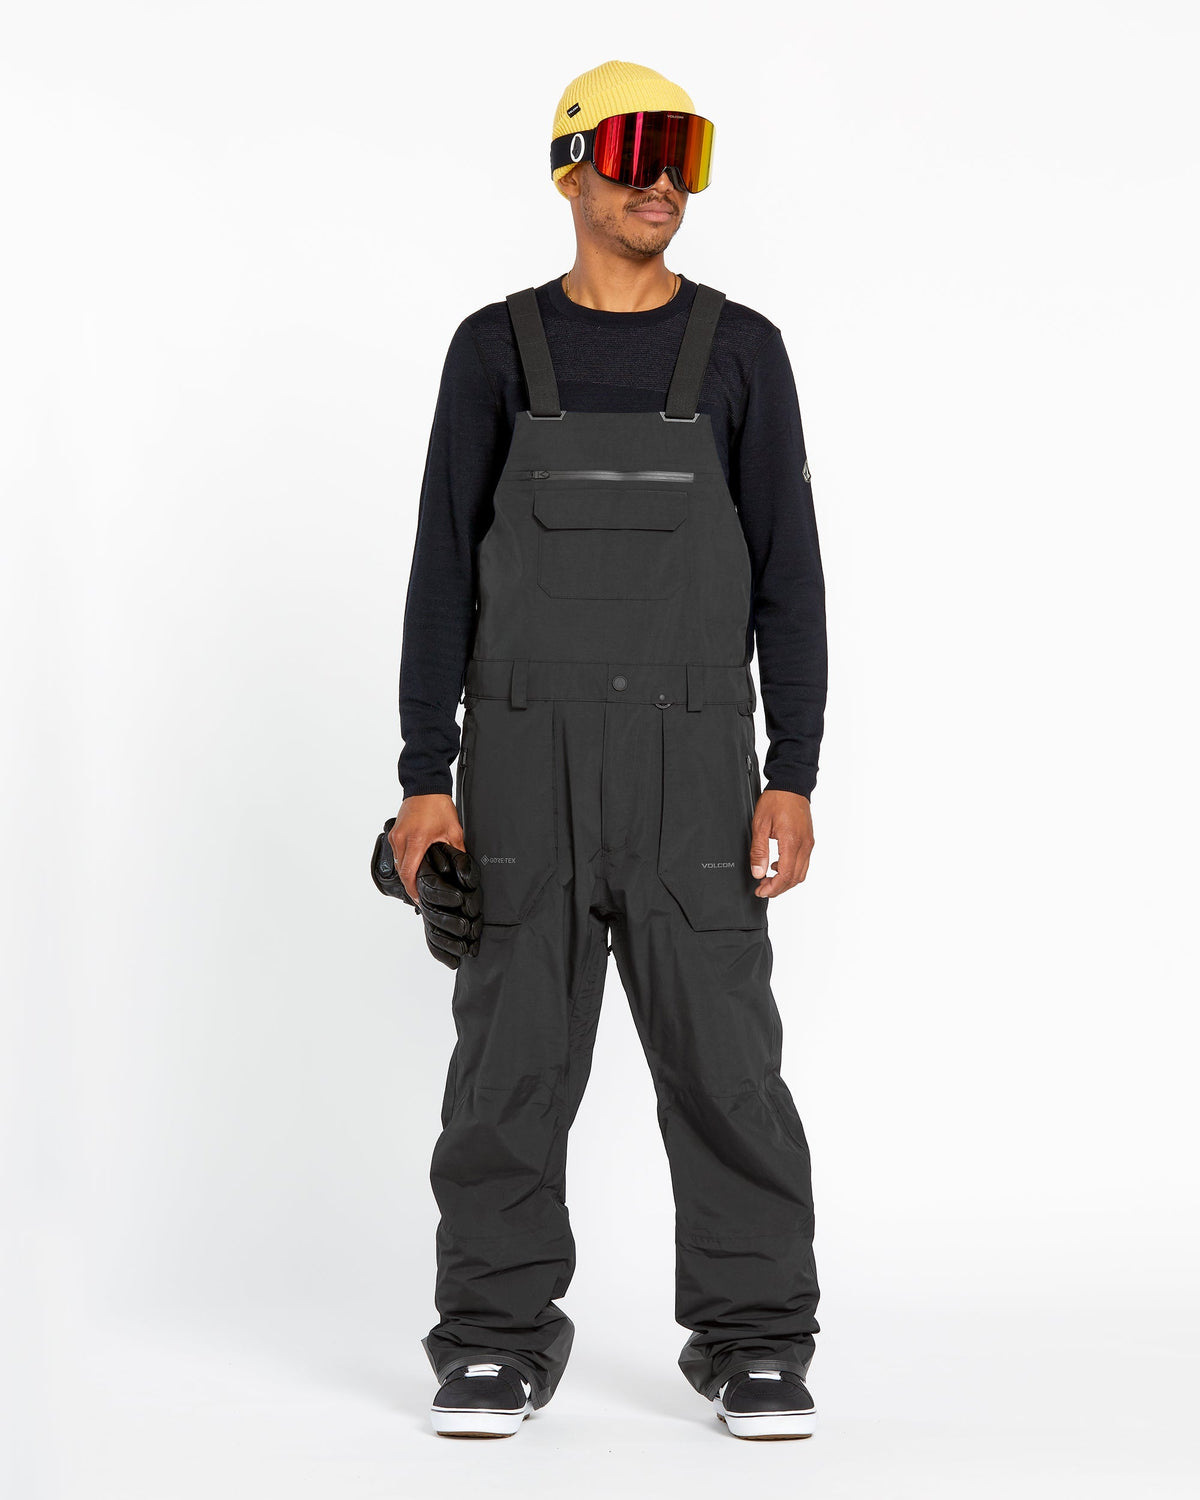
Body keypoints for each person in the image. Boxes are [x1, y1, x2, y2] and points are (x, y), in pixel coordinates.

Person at [389, 58, 827, 1441]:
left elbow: (790, 576)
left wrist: (793, 771)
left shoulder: (742, 349)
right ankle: (492, 1339)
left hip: (697, 768)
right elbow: (441, 572)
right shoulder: (493, 349)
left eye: (685, 155)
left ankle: (757, 1342)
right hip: (521, 766)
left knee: (727, 1065)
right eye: (639, 151)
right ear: (570, 168)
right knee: (509, 1069)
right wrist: (421, 780)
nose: (664, 182)